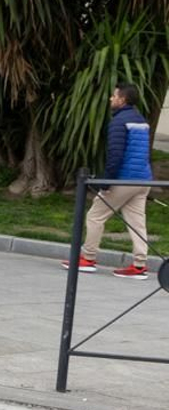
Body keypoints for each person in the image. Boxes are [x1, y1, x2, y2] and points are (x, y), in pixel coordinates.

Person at [64, 83, 154, 278]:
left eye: (114, 96)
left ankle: (88, 259)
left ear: (123, 99)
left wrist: (105, 183)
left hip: (124, 179)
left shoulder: (118, 122)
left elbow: (115, 155)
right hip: (144, 179)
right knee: (137, 222)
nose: (111, 98)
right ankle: (139, 266)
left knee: (95, 216)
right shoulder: (141, 120)